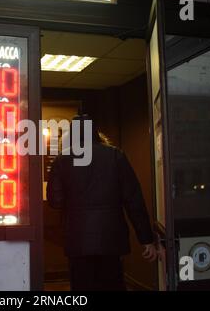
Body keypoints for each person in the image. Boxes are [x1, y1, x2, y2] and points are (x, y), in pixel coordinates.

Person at [46, 114, 158, 291]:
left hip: (78, 240)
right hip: (111, 239)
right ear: (95, 132)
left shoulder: (61, 161)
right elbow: (134, 200)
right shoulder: (115, 156)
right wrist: (146, 239)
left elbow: (55, 201)